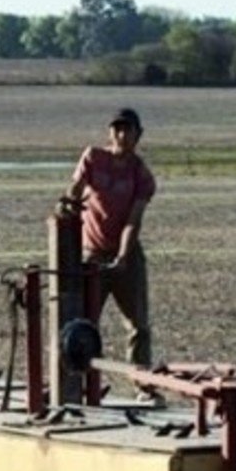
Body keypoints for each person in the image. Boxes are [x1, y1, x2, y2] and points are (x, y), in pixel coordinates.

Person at [60, 107, 157, 368]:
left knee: (138, 325)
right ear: (110, 132)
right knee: (80, 324)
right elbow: (74, 191)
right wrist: (68, 203)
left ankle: (143, 386)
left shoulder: (141, 175)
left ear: (139, 135)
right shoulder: (93, 158)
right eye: (117, 129)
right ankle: (74, 384)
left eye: (128, 130)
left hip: (126, 255)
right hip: (92, 254)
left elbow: (132, 221)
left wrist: (123, 256)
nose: (122, 135)